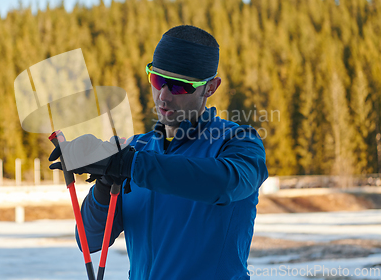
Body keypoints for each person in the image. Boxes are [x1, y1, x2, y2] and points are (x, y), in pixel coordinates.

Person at [49, 25, 268, 279]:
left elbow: (226, 184)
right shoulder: (136, 148)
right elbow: (89, 240)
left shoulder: (238, 142)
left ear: (210, 87)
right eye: (157, 80)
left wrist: (130, 165)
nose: (163, 96)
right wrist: (106, 181)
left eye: (178, 86)